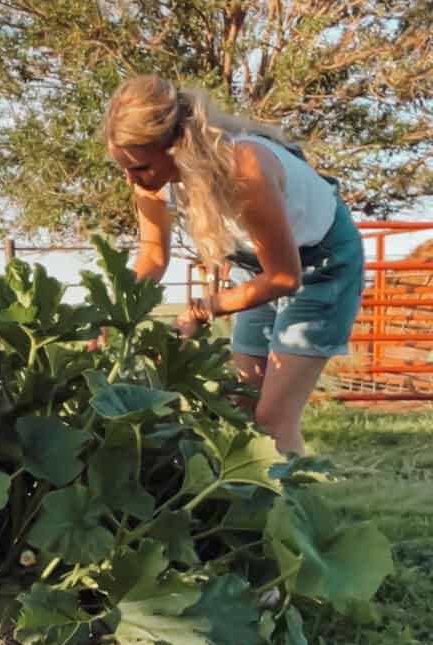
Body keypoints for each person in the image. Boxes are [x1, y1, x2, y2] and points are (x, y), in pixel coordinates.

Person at [103, 74, 365, 455]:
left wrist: (203, 310)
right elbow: (153, 257)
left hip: (321, 266)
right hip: (257, 268)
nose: (131, 179)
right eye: (123, 167)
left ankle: (291, 512)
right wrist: (112, 314)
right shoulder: (147, 180)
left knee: (274, 420)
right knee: (239, 405)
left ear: (176, 147)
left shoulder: (245, 167)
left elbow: (283, 277)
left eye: (140, 167)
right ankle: (245, 512)